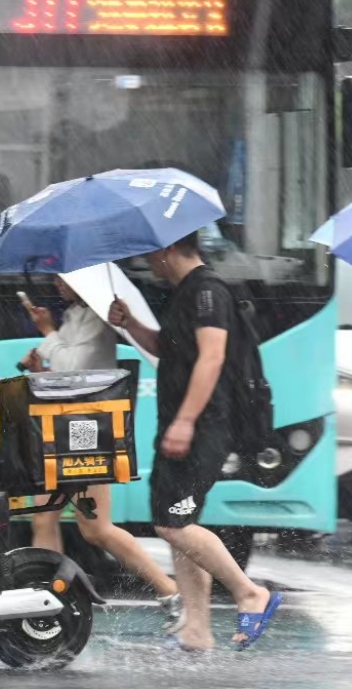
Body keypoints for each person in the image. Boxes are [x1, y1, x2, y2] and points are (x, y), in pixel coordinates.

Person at [108, 231, 279, 651]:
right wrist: (130, 323)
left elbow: (213, 356)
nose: (147, 261)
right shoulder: (185, 292)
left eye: (150, 252)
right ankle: (196, 631)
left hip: (203, 426)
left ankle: (249, 593)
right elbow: (168, 350)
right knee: (177, 525)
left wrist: (186, 422)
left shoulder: (208, 291)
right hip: (179, 425)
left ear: (167, 250)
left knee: (173, 522)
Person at [19, 274, 184, 635]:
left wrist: (46, 333)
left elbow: (75, 367)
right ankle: (48, 606)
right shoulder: (75, 315)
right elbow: (67, 374)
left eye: (63, 278)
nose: (56, 284)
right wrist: (40, 368)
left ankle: (171, 592)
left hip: (88, 431)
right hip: (59, 426)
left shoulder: (96, 316)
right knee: (43, 518)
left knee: (96, 529)